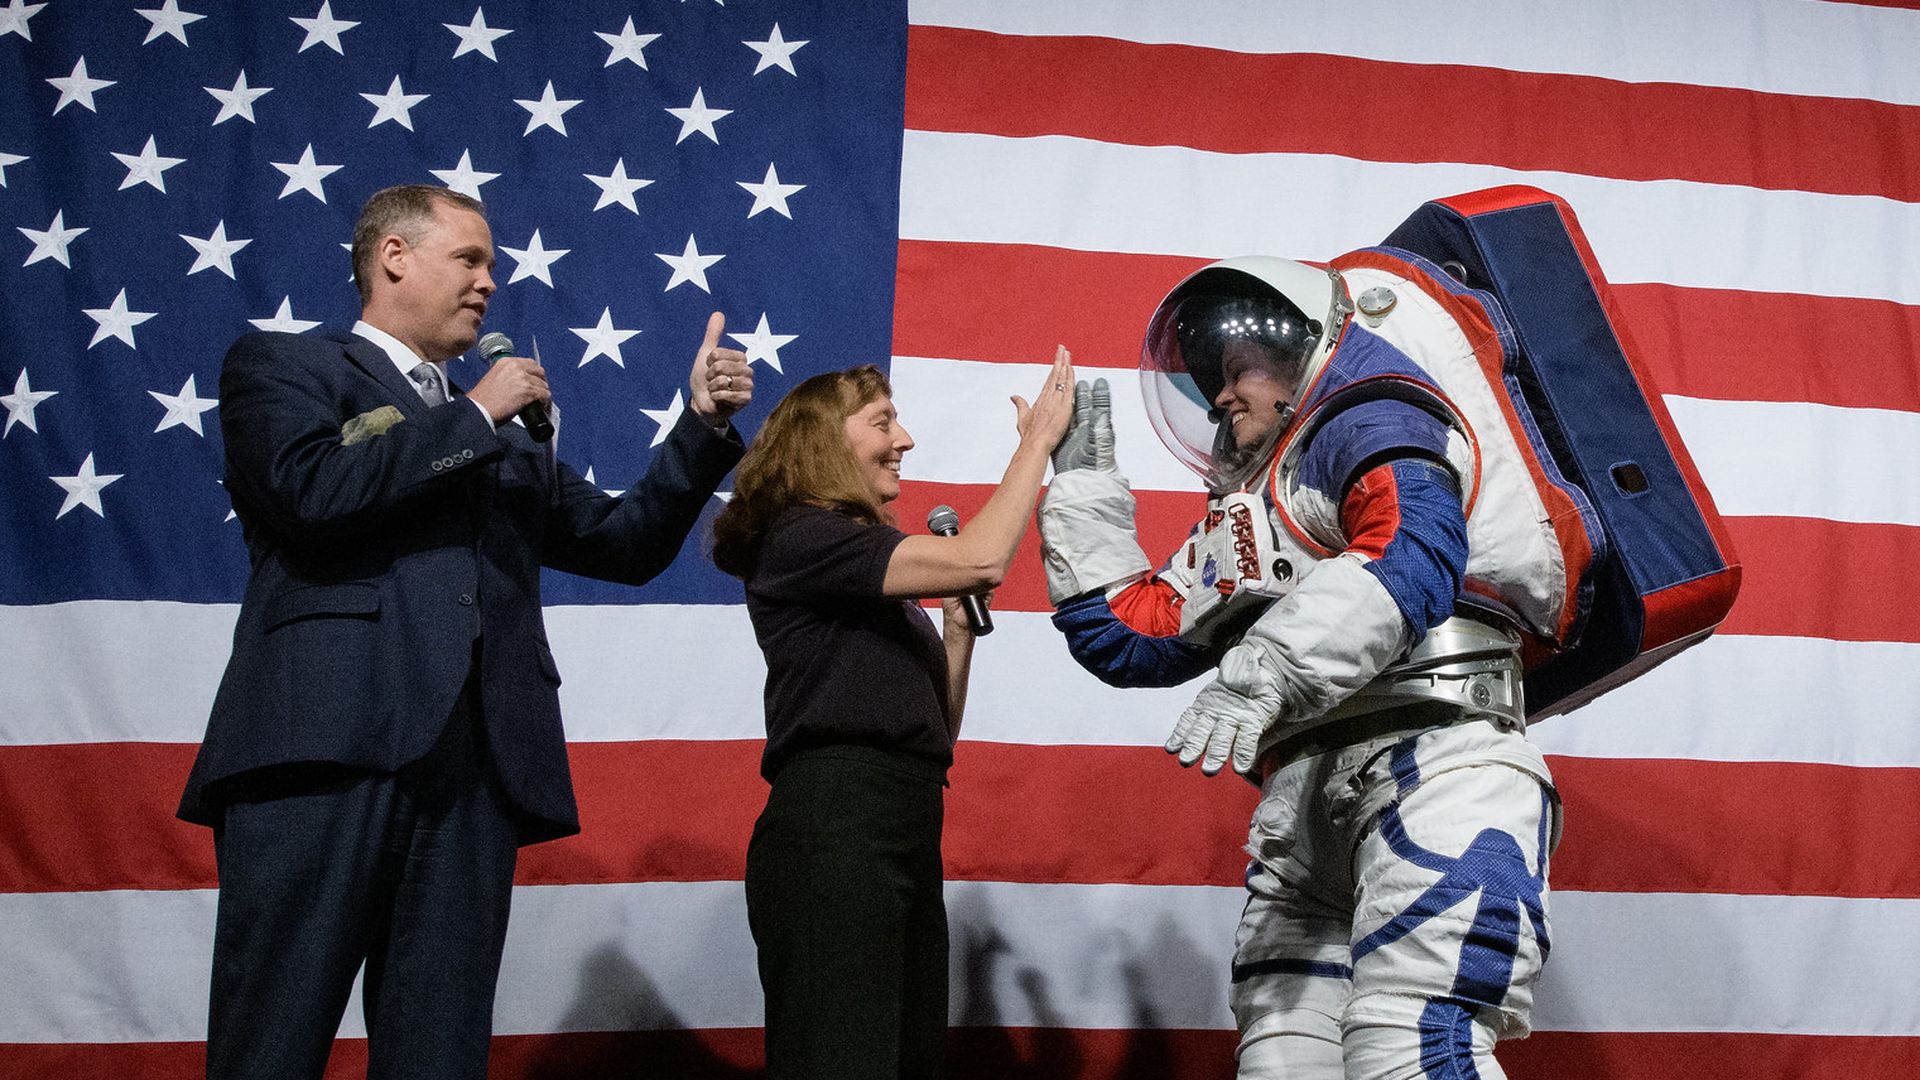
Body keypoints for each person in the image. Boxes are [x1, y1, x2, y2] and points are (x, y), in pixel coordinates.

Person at [176, 183, 754, 1079]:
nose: (491, 282)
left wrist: (701, 430)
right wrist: (476, 414)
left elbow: (622, 543)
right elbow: (310, 496)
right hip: (323, 751)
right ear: (393, 257)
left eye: (493, 265)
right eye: (470, 259)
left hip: (474, 773)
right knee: (271, 1043)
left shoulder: (505, 435)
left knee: (438, 1056)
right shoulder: (285, 367)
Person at [1038, 256, 1559, 1078]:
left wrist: (1268, 669)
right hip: (1308, 800)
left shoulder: (1374, 418)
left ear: (1302, 356)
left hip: (1440, 770)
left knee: (1412, 1047)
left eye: (1238, 368)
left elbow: (1412, 551)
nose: (1219, 395)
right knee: (1284, 1065)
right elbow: (1131, 636)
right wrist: (1083, 485)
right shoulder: (1267, 503)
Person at [710, 349, 1075, 1079]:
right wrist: (1037, 443)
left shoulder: (853, 564)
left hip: (902, 825)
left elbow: (931, 733)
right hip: (836, 829)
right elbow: (981, 558)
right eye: (883, 422)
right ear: (825, 444)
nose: (904, 440)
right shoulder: (801, 537)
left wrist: (957, 635)